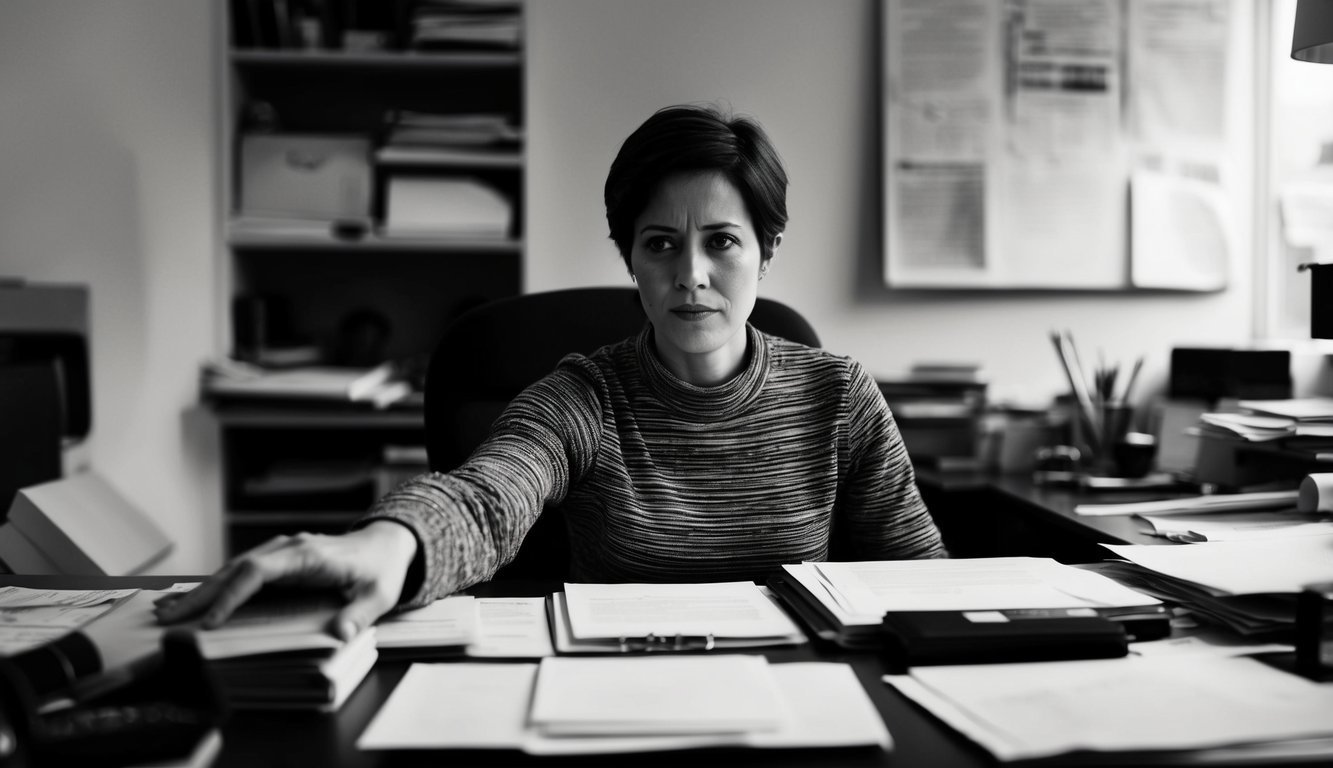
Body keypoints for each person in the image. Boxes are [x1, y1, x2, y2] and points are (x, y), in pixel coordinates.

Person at [155, 104, 947, 640]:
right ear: (630, 260)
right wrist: (385, 546)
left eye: (722, 242)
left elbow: (920, 580)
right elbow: (485, 497)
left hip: (806, 701)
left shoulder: (837, 395)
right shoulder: (586, 396)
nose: (692, 274)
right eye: (660, 243)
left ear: (766, 253)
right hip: (615, 694)